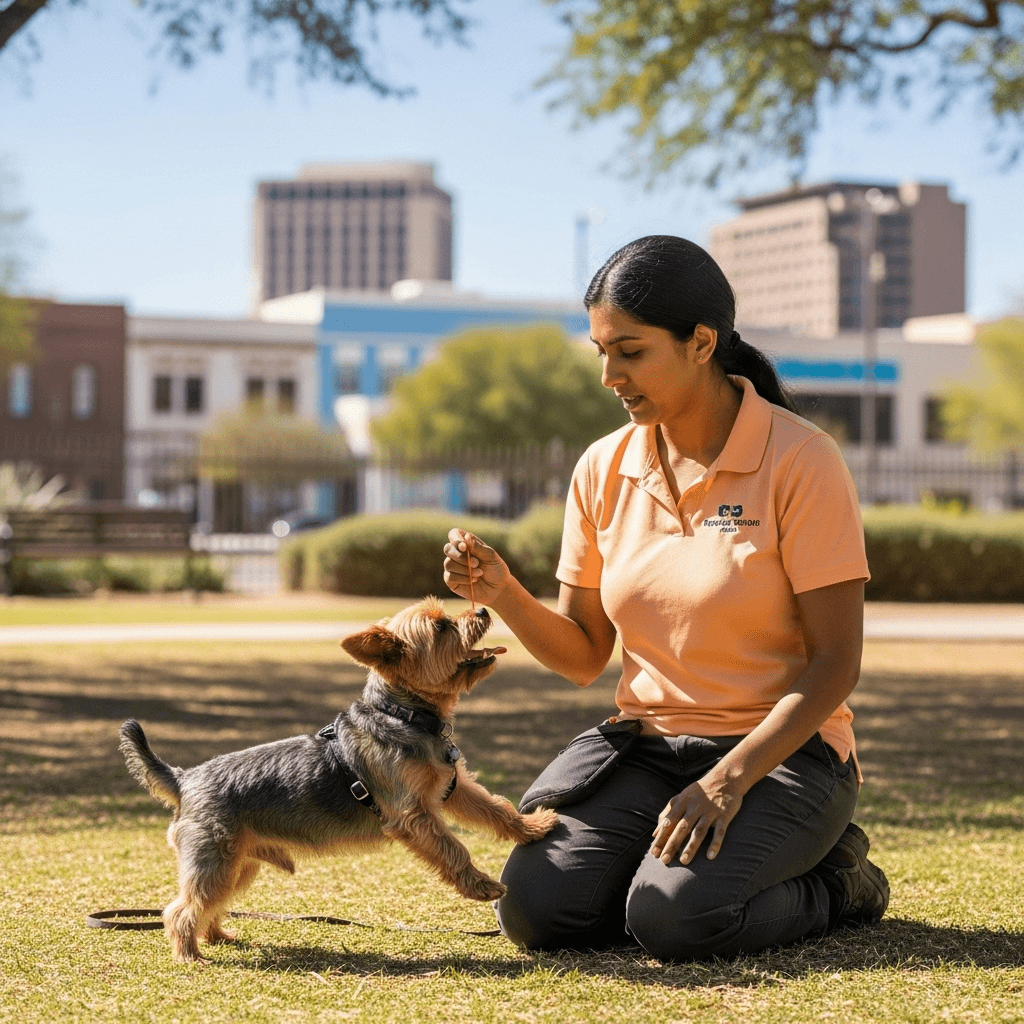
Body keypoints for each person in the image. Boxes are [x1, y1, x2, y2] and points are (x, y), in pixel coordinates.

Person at [442, 235, 889, 961]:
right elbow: (586, 655)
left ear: (701, 343)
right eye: (600, 351)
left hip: (781, 757)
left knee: (676, 922)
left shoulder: (802, 460)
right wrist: (505, 593)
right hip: (646, 751)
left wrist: (728, 779)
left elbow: (835, 665)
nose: (609, 374)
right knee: (537, 913)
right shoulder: (602, 467)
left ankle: (843, 881)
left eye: (631, 351)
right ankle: (667, 875)